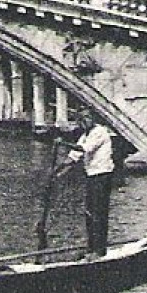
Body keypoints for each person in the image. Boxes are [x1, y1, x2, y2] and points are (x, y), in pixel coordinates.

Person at [57, 109, 119, 256]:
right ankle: (91, 248)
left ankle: (99, 251)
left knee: (98, 213)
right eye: (82, 119)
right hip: (92, 176)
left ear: (93, 119)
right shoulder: (85, 135)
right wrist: (58, 173)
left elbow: (84, 149)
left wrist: (62, 143)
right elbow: (73, 157)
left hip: (102, 176)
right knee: (89, 213)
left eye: (87, 118)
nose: (85, 121)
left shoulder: (100, 132)